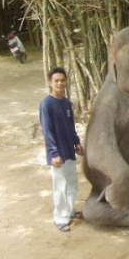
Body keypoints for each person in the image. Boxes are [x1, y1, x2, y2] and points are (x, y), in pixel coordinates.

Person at [39, 67, 84, 232]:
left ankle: (69, 211)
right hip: (57, 154)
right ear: (51, 83)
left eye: (62, 80)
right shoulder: (46, 105)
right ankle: (60, 218)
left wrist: (76, 142)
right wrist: (54, 154)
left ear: (66, 82)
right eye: (56, 80)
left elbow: (70, 127)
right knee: (59, 186)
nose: (59, 83)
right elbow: (47, 131)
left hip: (69, 151)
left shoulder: (66, 103)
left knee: (72, 183)